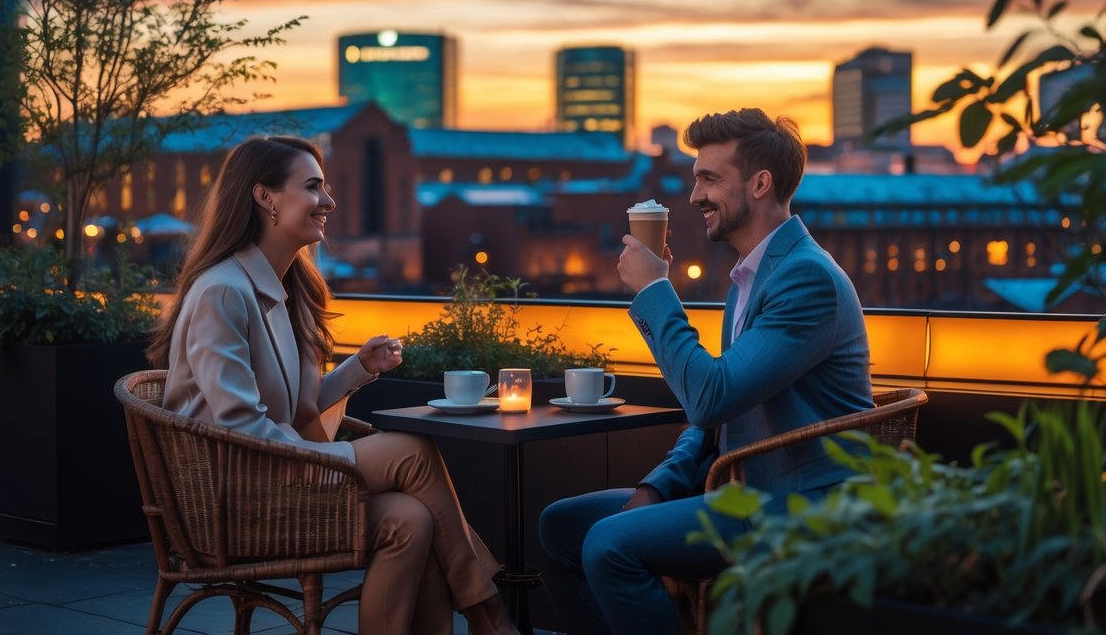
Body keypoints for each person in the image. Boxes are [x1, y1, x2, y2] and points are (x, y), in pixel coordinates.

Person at [149, 135, 516, 635]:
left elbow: (296, 410)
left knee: (412, 518)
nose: (329, 201)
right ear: (265, 197)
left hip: (276, 473)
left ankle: (476, 619)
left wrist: (356, 369)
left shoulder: (283, 290)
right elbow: (240, 424)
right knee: (412, 452)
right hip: (232, 498)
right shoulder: (222, 291)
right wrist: (335, 465)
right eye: (313, 187)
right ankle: (488, 613)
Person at [539, 109, 873, 634]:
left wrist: (654, 291)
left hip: (799, 506)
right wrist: (656, 486)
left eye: (709, 179)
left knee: (608, 543)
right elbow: (713, 421)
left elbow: (710, 397)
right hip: (740, 491)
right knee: (561, 525)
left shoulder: (806, 278)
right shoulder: (751, 275)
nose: (694, 196)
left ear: (760, 184)